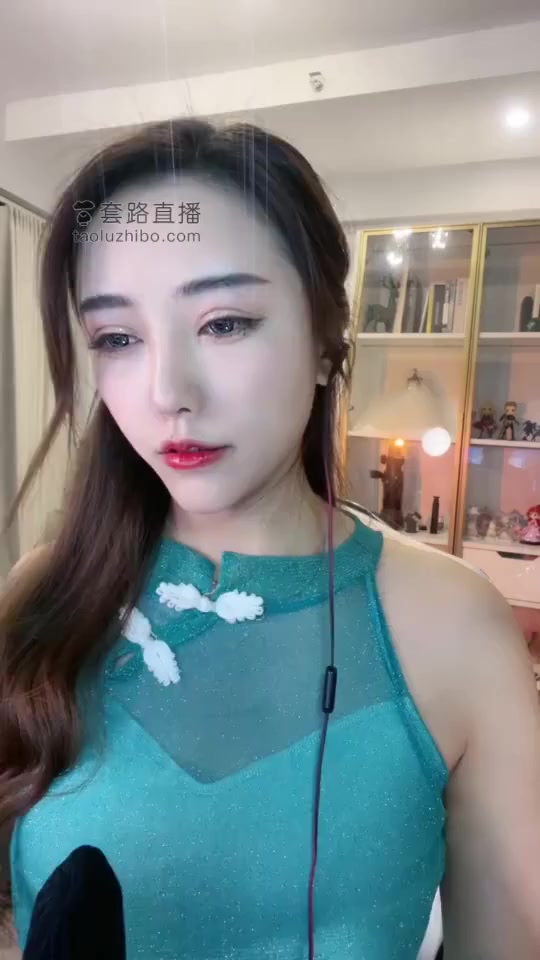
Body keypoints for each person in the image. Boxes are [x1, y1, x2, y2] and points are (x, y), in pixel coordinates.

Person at [0, 117, 539, 960]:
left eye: (224, 322)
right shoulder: (41, 596)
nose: (167, 391)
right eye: (117, 338)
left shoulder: (454, 625)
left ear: (326, 339)